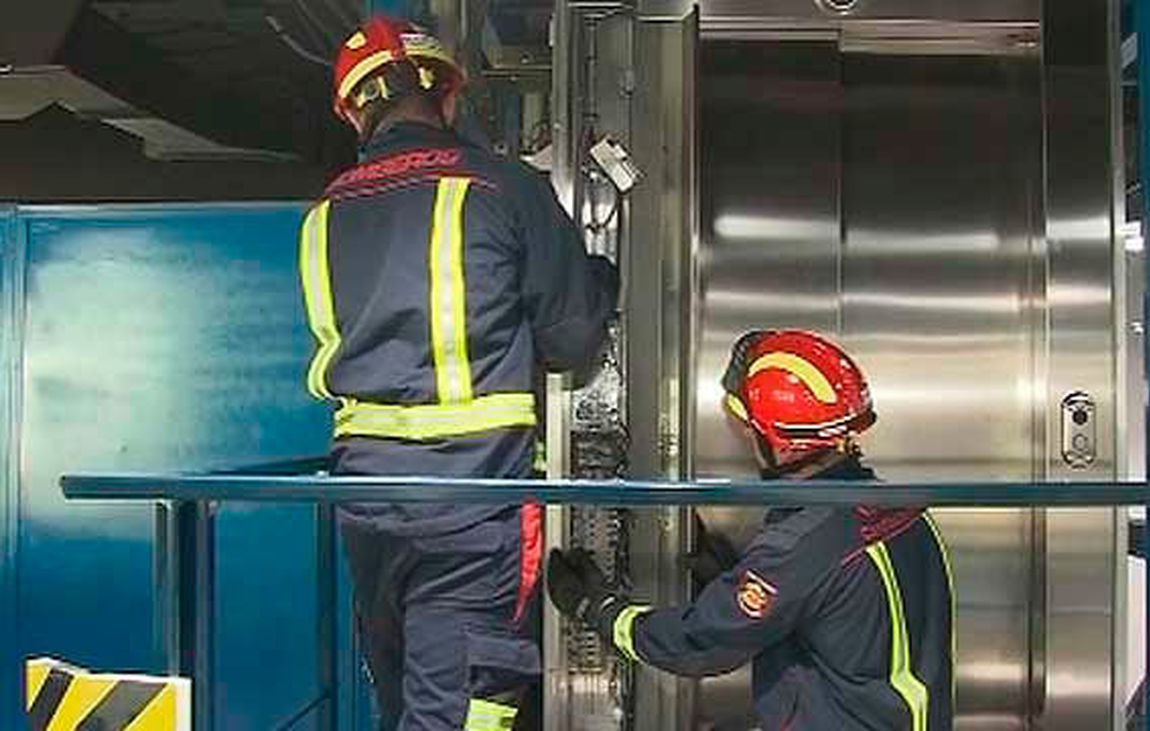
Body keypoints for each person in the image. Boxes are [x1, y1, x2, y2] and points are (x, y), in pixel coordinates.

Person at [298, 15, 617, 731]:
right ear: (447, 98)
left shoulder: (323, 214)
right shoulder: (501, 187)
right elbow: (570, 341)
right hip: (472, 507)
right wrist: (598, 281)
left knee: (403, 702)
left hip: (367, 506)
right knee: (464, 712)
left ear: (354, 110)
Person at [548, 330, 955, 730]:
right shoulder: (904, 509)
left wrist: (597, 608)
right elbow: (845, 616)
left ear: (781, 444)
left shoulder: (799, 547)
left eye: (743, 425)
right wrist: (739, 579)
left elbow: (700, 643)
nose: (740, 437)